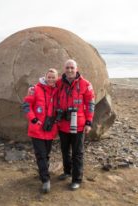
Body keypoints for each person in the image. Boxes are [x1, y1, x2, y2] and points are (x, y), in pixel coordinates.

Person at [56, 59, 95, 190]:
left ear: (76, 69)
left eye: (72, 67)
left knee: (77, 153)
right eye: (67, 68)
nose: (70, 70)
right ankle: (67, 172)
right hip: (63, 124)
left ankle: (76, 179)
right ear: (64, 69)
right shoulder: (59, 83)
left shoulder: (85, 84)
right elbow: (46, 87)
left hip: (78, 124)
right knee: (65, 150)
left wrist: (89, 122)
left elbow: (90, 104)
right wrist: (33, 89)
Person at [22, 68, 59, 193]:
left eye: (53, 77)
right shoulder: (35, 89)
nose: (51, 79)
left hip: (49, 130)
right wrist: (33, 120)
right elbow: (26, 106)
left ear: (56, 79)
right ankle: (45, 180)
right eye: (49, 77)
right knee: (41, 155)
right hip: (37, 129)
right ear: (45, 77)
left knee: (46, 154)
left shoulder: (57, 91)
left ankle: (43, 172)